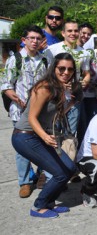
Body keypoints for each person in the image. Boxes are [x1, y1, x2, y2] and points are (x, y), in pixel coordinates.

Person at [11, 53, 78, 218]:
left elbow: (56, 114)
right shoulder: (44, 87)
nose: (66, 72)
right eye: (61, 68)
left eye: (70, 69)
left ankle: (49, 203)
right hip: (25, 136)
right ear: (54, 68)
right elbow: (32, 117)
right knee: (59, 173)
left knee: (69, 169)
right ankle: (38, 206)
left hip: (39, 136)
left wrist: (71, 101)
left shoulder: (60, 88)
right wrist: (45, 136)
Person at [1, 25, 48, 198]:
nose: (35, 41)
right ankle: (25, 181)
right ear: (24, 40)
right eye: (31, 38)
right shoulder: (16, 59)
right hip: (20, 111)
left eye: (38, 38)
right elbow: (6, 82)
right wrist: (9, 92)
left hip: (41, 112)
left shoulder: (44, 60)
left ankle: (42, 175)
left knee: (42, 144)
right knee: (22, 148)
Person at [45, 21, 91, 136]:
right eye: (69, 31)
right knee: (54, 131)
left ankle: (68, 153)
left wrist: (82, 83)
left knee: (70, 133)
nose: (73, 33)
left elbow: (87, 73)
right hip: (55, 97)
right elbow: (46, 73)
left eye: (76, 31)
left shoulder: (84, 53)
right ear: (63, 33)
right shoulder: (52, 50)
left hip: (74, 98)